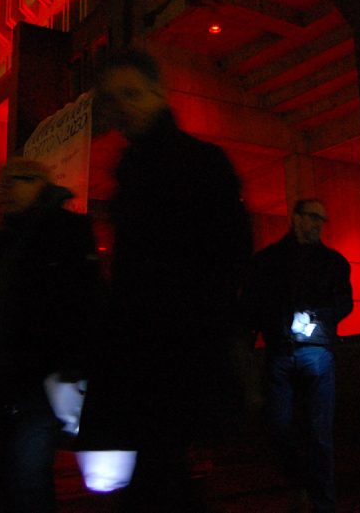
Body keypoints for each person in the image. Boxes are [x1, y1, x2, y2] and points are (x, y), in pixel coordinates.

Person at [78, 49, 253, 511]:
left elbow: (230, 251)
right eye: (113, 100)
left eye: (131, 94)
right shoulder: (135, 171)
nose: (123, 108)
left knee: (156, 478)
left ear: (158, 93)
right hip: (156, 353)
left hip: (174, 350)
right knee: (161, 476)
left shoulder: (193, 164)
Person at [0, 157, 99, 513]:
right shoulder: (10, 241)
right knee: (12, 478)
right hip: (13, 376)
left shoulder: (62, 231)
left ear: (40, 183)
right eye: (4, 183)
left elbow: (83, 301)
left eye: (18, 180)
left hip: (40, 378)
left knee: (25, 478)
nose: (8, 190)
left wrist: (73, 364)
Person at [241, 198, 353, 513]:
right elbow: (252, 304)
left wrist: (318, 317)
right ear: (296, 218)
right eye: (313, 217)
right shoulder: (269, 261)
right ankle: (310, 488)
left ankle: (321, 501)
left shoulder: (331, 262)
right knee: (282, 427)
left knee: (318, 432)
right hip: (285, 349)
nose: (319, 223)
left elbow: (345, 302)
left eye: (322, 218)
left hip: (311, 351)